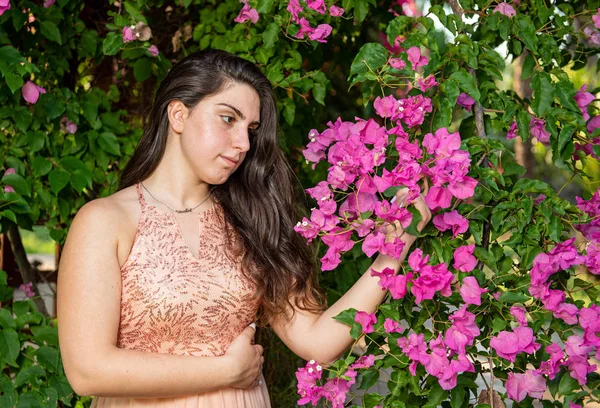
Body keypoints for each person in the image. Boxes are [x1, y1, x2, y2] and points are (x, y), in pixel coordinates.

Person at [57, 49, 431, 407]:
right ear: (178, 115)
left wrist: (395, 248)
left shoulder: (252, 220)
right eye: (227, 119)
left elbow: (318, 342)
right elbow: (86, 371)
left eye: (251, 129)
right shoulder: (105, 221)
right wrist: (225, 371)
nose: (243, 144)